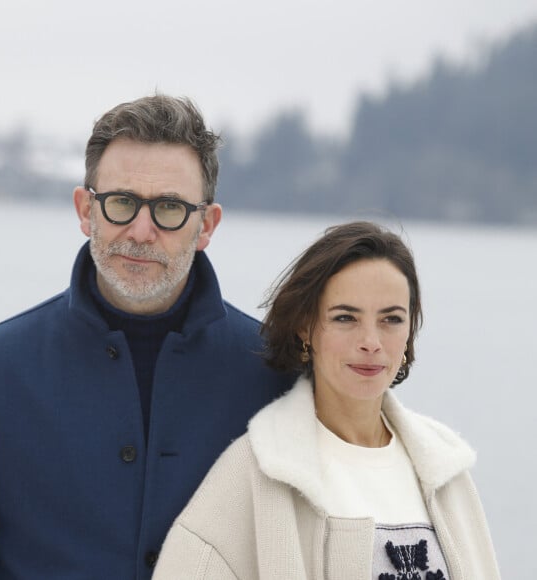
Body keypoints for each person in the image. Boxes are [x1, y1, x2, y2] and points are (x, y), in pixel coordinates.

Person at [0, 95, 293, 579]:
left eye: (170, 208)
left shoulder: (274, 371)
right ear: (84, 209)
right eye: (122, 202)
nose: (141, 231)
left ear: (207, 225)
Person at [153, 221, 501, 579]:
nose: (371, 341)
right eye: (345, 317)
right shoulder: (257, 471)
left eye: (391, 319)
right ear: (306, 326)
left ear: (410, 329)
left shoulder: (445, 468)